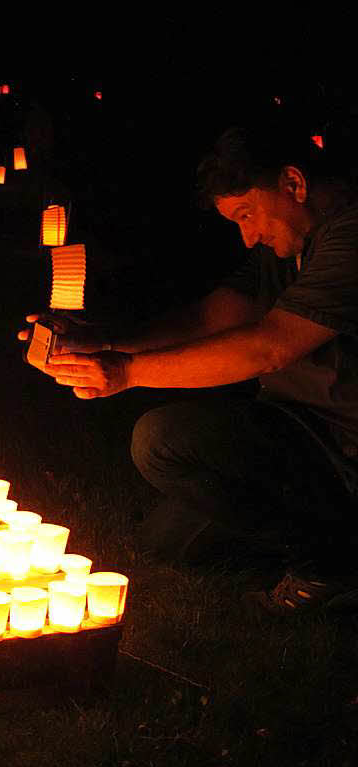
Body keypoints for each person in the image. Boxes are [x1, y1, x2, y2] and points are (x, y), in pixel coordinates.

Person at [22, 122, 358, 616]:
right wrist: (106, 341)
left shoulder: (349, 236)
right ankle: (318, 536)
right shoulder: (285, 244)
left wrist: (127, 373)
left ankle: (334, 560)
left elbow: (271, 347)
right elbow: (210, 316)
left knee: (162, 439)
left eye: (247, 214)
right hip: (295, 428)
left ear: (293, 183)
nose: (248, 238)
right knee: (169, 544)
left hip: (344, 447)